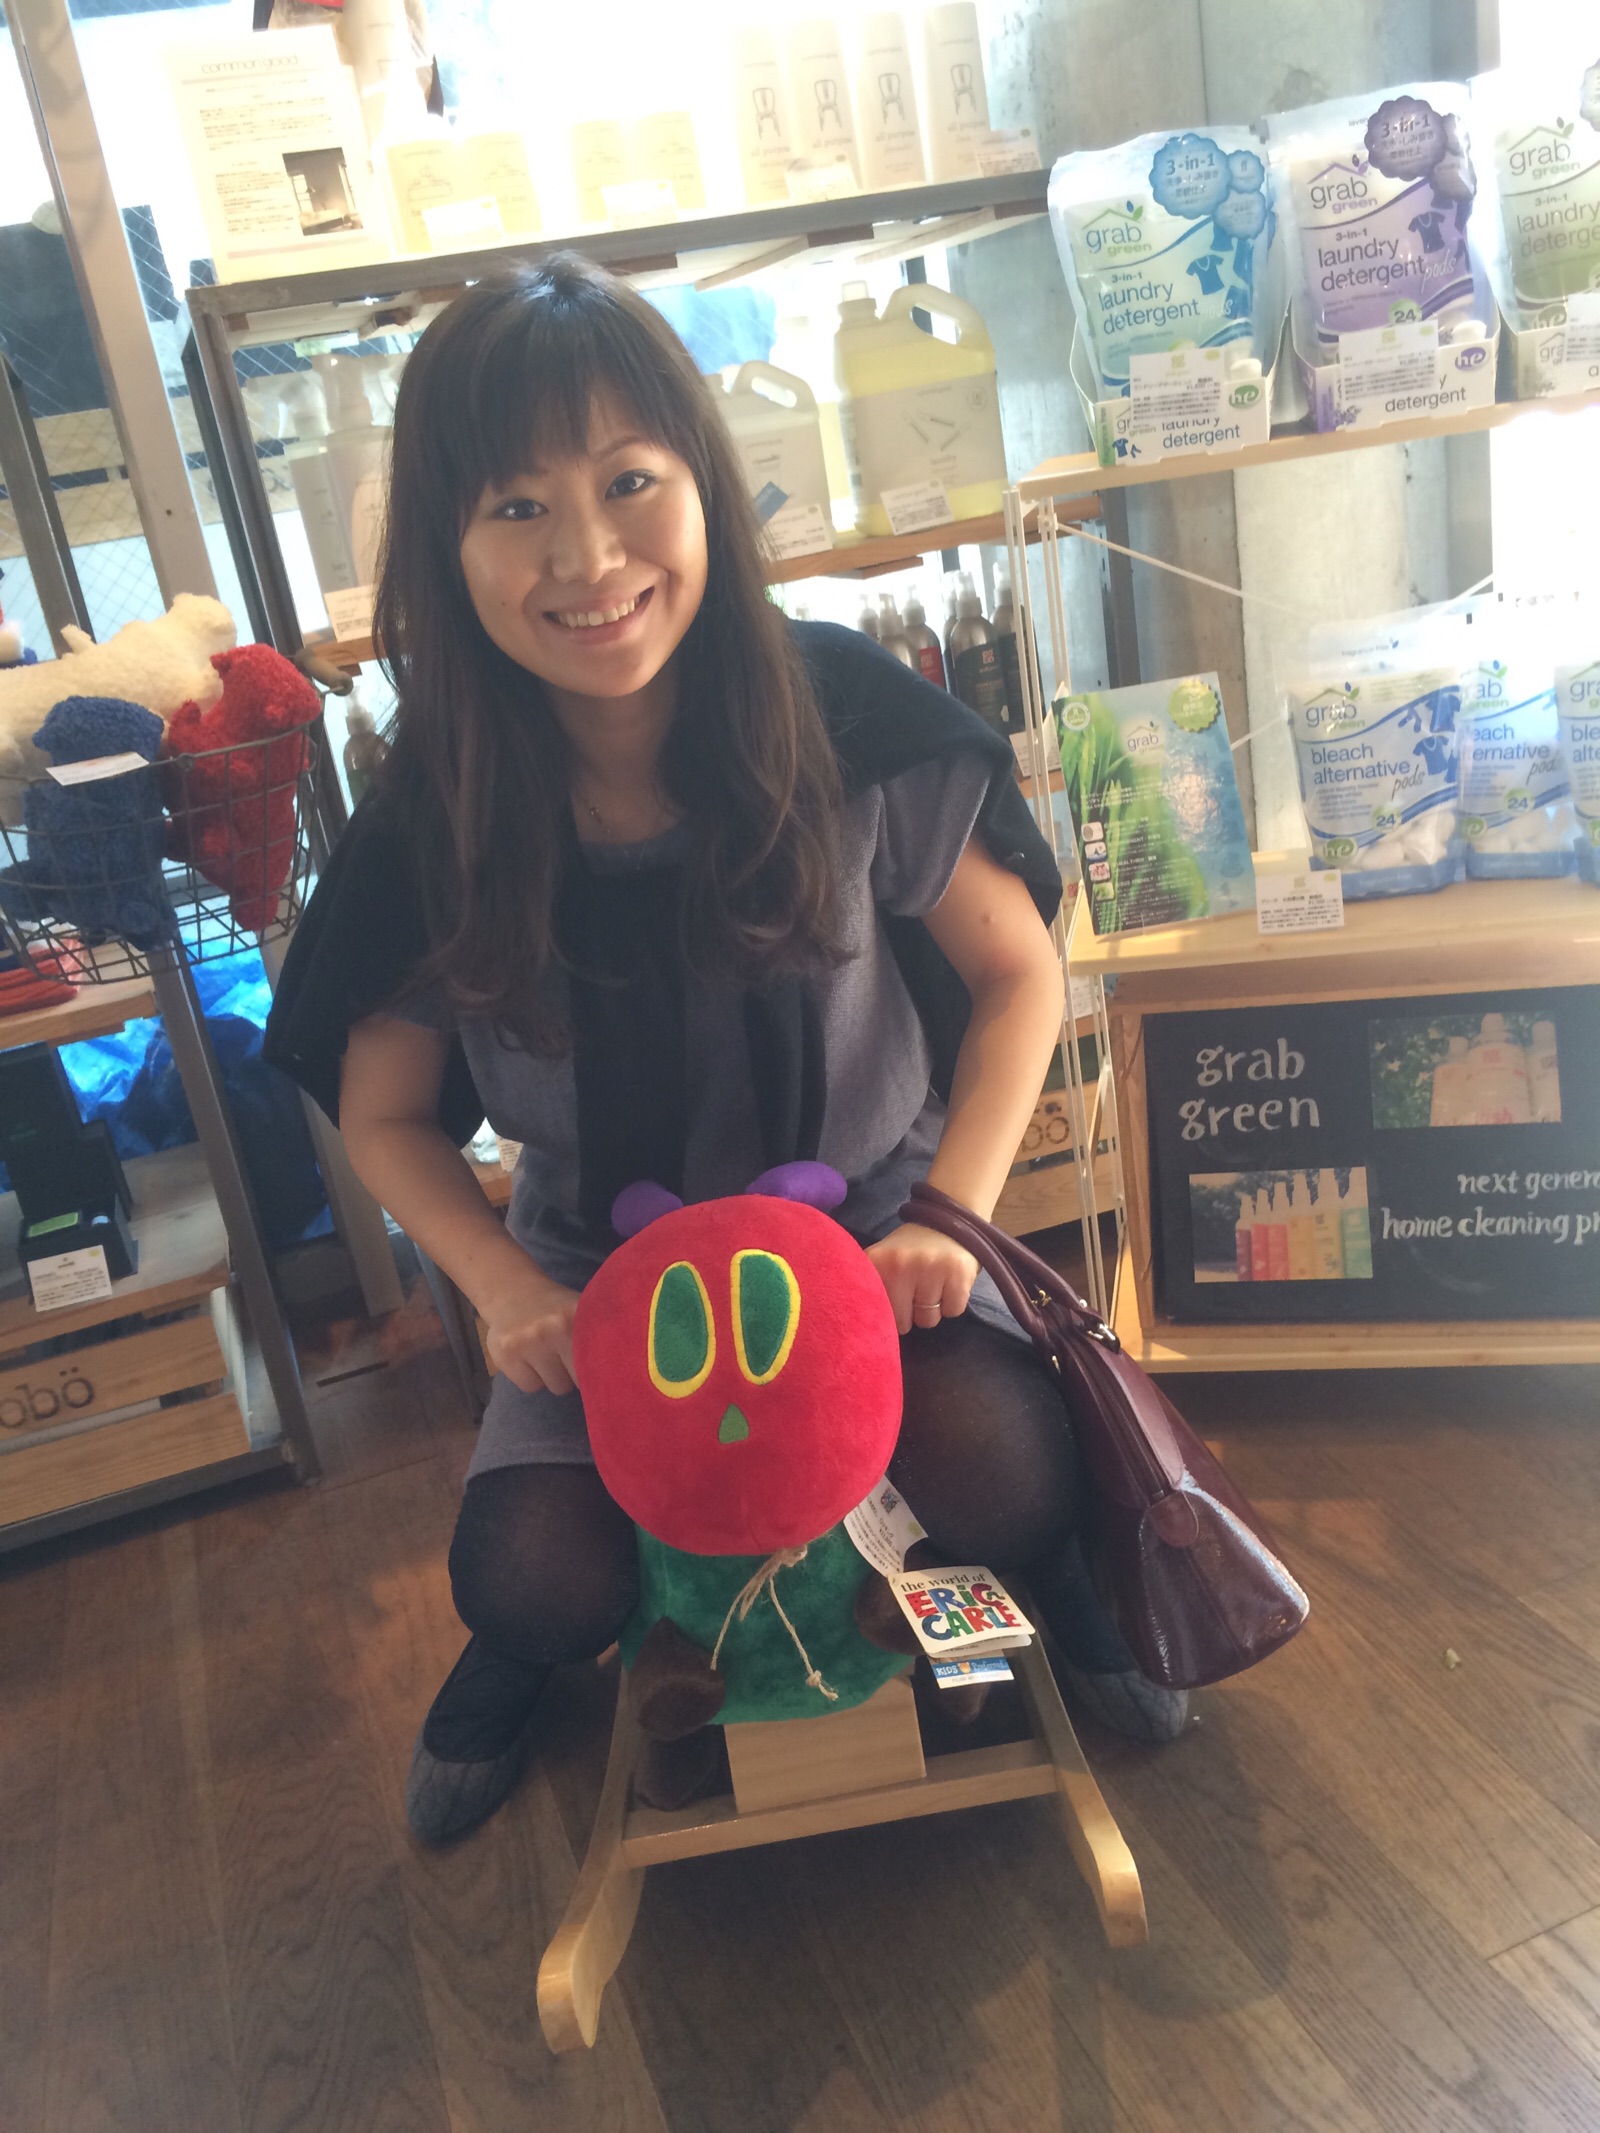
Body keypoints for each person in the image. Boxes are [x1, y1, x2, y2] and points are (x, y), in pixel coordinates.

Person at [265, 256, 1186, 1847]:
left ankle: (1041, 1577)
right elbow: (388, 1110)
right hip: (604, 1287)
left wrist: (949, 1220)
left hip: (873, 1241)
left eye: (629, 481)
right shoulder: (434, 814)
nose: (589, 557)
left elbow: (1018, 972)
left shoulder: (842, 712)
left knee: (1009, 1475)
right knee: (530, 1577)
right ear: (443, 547)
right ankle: (556, 1648)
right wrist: (504, 1288)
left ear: (704, 479)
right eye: (517, 508)